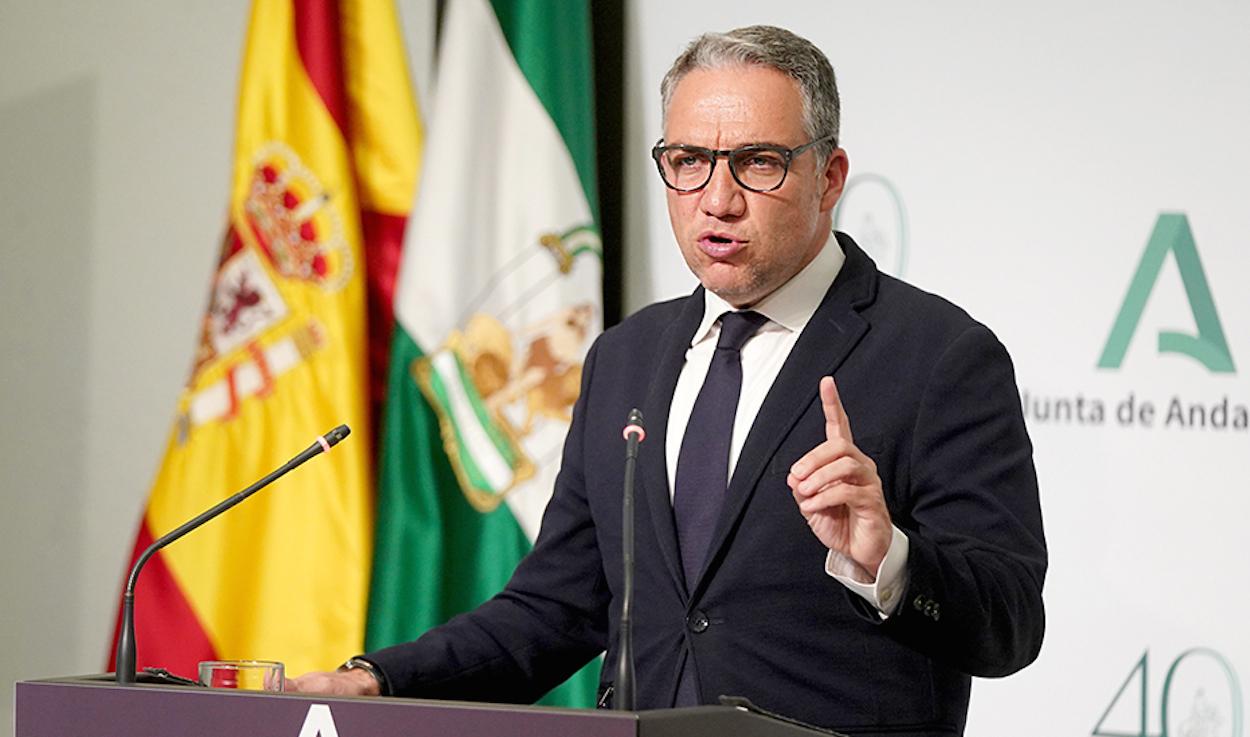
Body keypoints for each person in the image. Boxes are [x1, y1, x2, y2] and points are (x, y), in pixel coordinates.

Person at [291, 25, 1046, 736]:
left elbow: (1010, 622)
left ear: (829, 176)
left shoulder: (939, 357)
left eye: (757, 162)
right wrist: (379, 681)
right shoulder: (628, 355)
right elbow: (557, 606)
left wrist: (890, 558)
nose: (716, 199)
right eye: (688, 161)